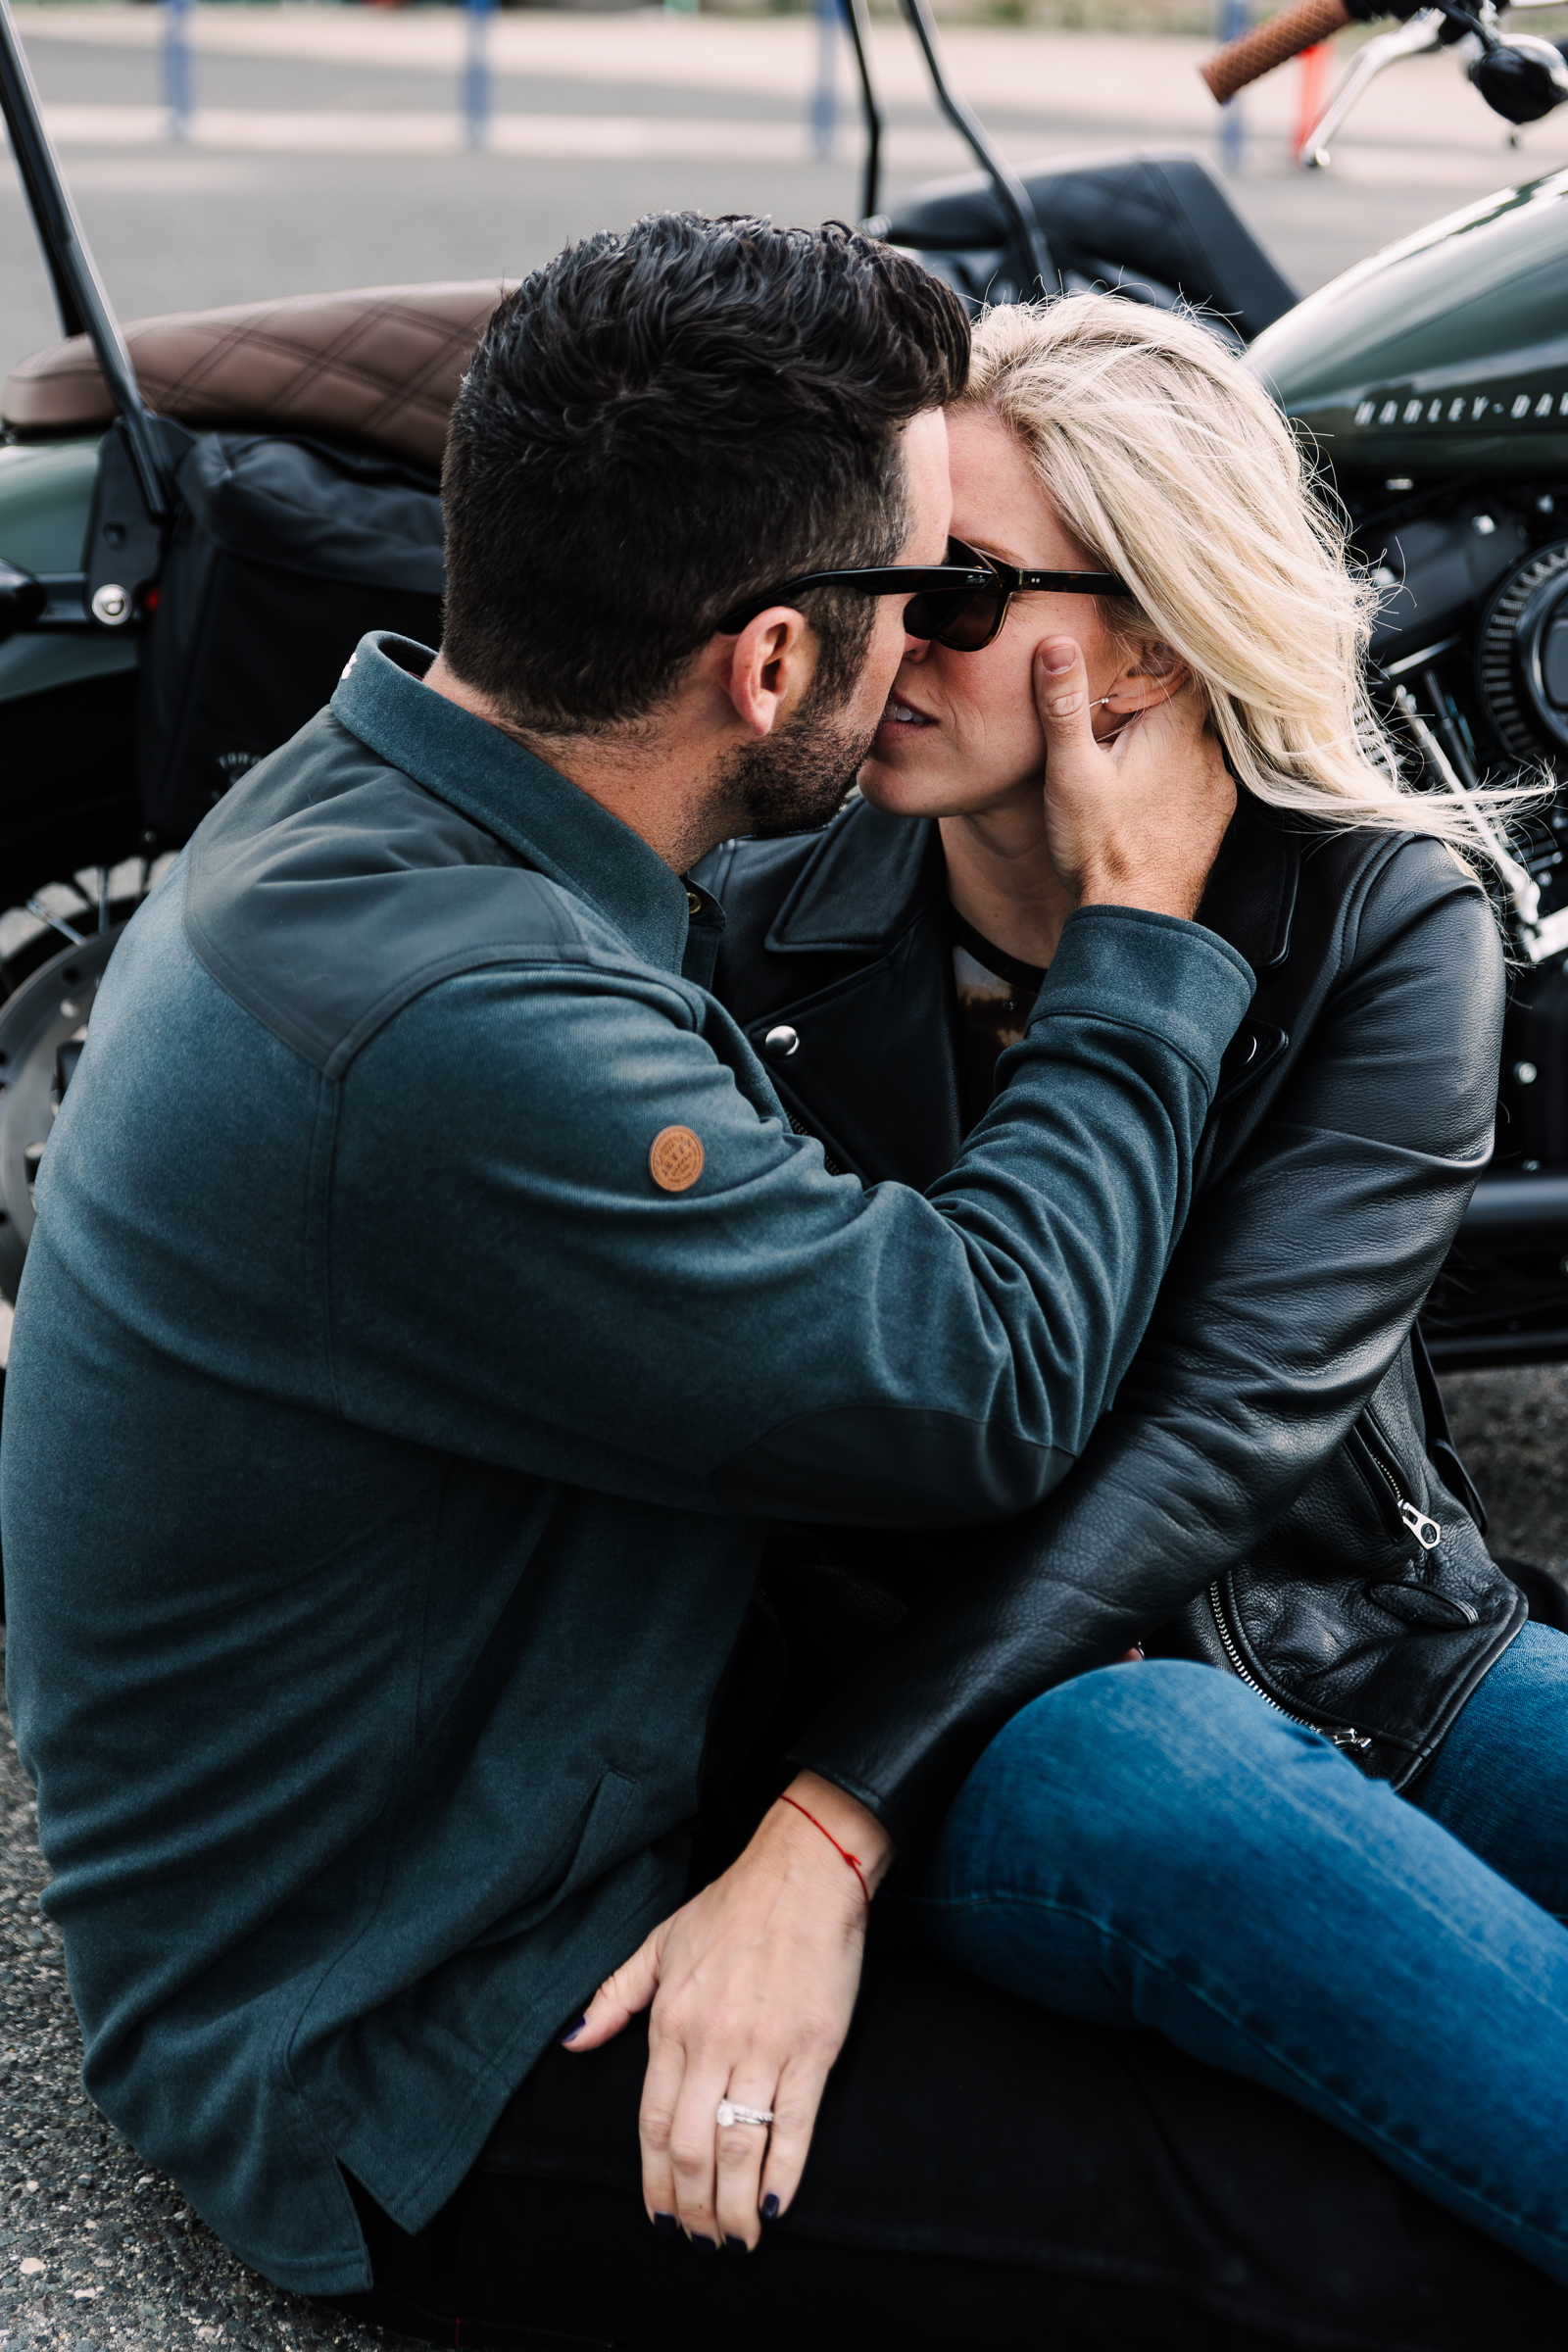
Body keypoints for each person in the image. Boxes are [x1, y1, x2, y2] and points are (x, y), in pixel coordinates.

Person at [0, 214, 1259, 2347]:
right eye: (925, 598)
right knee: (1313, 2233)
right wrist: (1134, 941)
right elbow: (979, 1382)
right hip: (418, 2042)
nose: (941, 653)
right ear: (769, 665)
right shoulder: (463, 1019)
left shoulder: (378, 797)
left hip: (453, 1844)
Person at [679, 292, 1568, 2336]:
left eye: (964, 591)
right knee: (1164, 1766)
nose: (887, 641)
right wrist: (829, 1818)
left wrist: (1132, 950)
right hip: (976, 1726)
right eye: (878, 571)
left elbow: (1220, 1433)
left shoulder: (1373, 920)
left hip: (1364, 1646)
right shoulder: (762, 919)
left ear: (1154, 638)